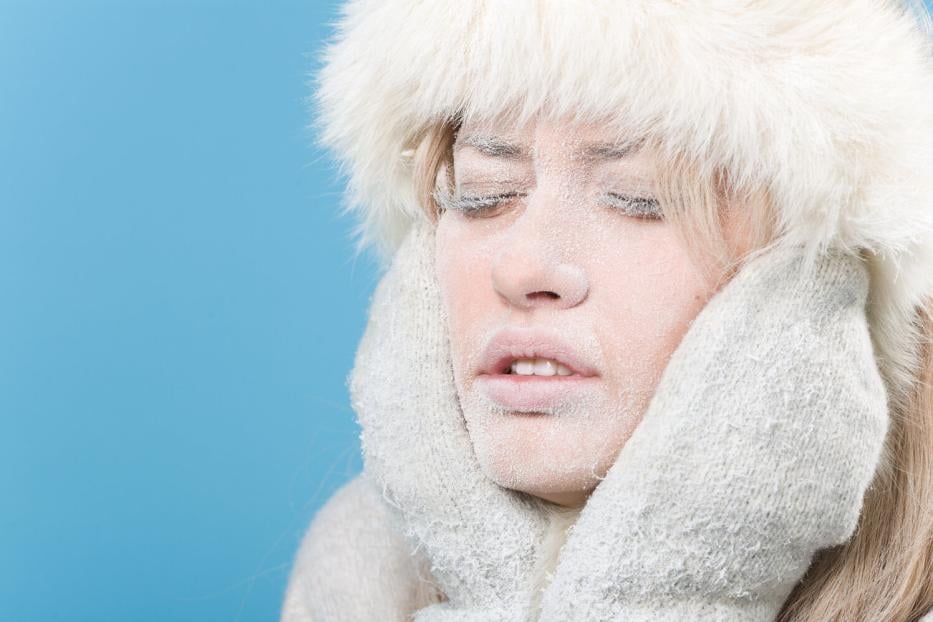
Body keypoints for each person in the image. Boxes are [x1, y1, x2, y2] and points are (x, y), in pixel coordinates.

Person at [282, 1, 933, 620]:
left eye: (637, 196)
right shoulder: (358, 572)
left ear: (838, 277)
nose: (523, 267)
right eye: (483, 193)